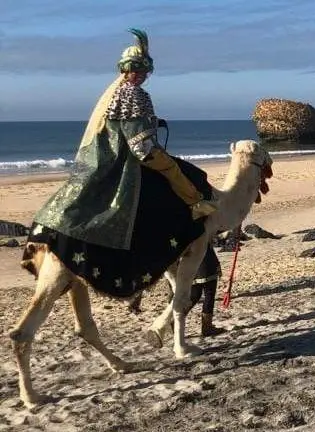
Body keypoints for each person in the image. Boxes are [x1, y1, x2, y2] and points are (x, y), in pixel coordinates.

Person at [23, 29, 220, 303]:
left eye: (141, 72)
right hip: (133, 156)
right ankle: (196, 205)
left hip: (114, 154)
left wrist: (153, 124)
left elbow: (128, 125)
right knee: (175, 171)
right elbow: (138, 141)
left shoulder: (115, 94)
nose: (140, 76)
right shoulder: (135, 95)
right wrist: (154, 152)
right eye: (137, 71)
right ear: (129, 71)